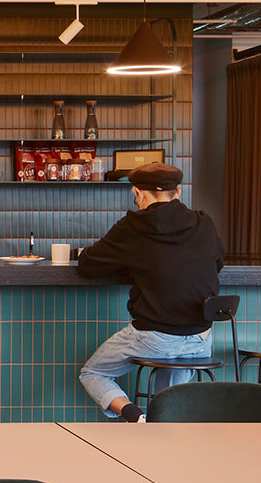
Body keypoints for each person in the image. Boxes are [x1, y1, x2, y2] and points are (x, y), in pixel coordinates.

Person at [75, 163, 224, 422]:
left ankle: (135, 417)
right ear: (177, 192)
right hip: (200, 337)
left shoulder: (133, 226)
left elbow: (89, 266)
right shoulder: (204, 221)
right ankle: (164, 434)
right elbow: (218, 262)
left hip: (156, 336)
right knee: (170, 402)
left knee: (92, 373)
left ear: (139, 194)